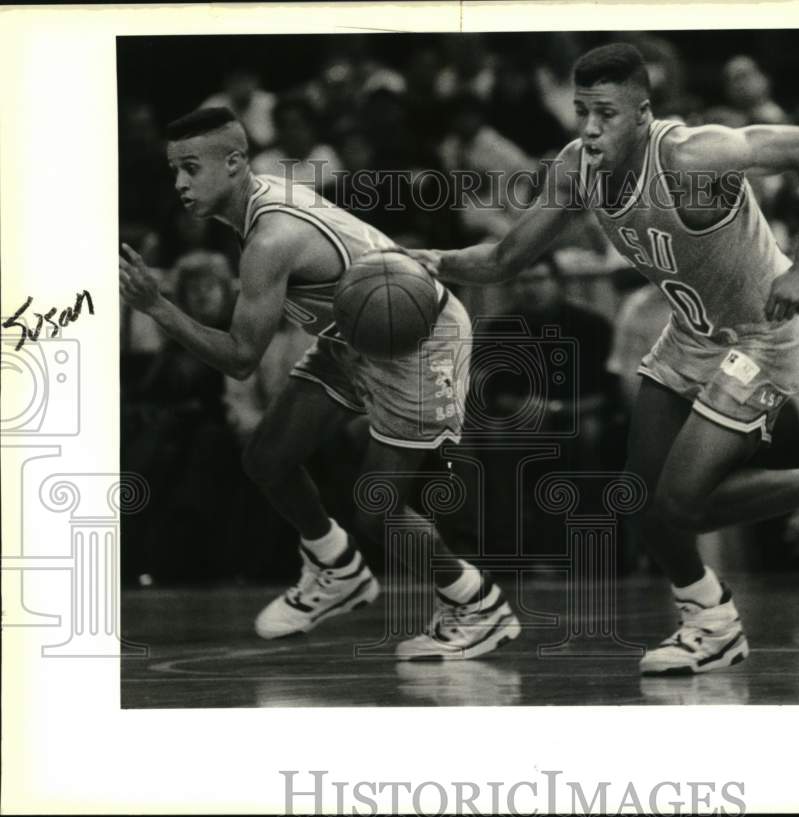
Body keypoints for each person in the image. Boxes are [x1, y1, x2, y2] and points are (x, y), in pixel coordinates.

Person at [415, 43, 799, 675]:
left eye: (607, 113)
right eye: (581, 112)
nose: (591, 128)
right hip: (695, 333)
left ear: (644, 113)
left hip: (765, 333)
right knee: (641, 500)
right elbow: (504, 259)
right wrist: (430, 262)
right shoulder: (577, 168)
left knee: (682, 504)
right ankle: (712, 622)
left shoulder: (690, 157)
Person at [119, 106, 520, 660]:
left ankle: (478, 605)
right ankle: (337, 568)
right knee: (267, 457)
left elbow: (239, 359)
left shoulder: (271, 239)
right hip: (356, 330)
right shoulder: (257, 202)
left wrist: (157, 307)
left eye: (191, 168)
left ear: (235, 163)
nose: (180, 183)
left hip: (420, 338)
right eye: (174, 170)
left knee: (377, 506)